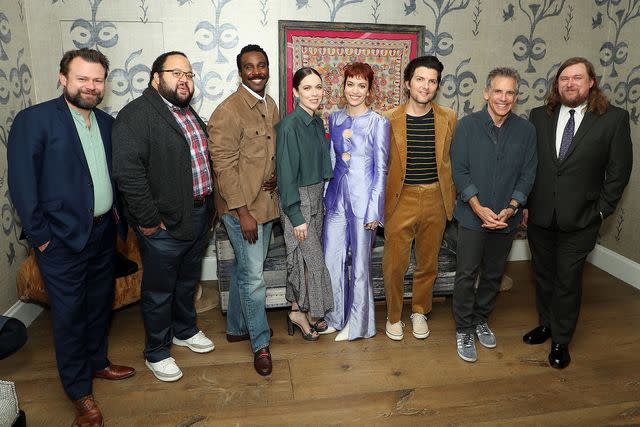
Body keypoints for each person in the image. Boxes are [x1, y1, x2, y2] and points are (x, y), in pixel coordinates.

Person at [7, 48, 135, 427]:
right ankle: (79, 391)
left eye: (97, 80)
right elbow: (23, 184)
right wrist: (42, 237)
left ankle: (97, 363)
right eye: (82, 78)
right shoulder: (35, 120)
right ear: (63, 78)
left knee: (99, 305)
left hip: (101, 234)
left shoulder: (108, 124)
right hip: (60, 241)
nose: (90, 86)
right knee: (69, 316)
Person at [112, 51, 215, 382]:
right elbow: (128, 174)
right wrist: (148, 220)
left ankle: (183, 330)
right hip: (163, 224)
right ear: (156, 78)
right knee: (159, 291)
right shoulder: (136, 115)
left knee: (186, 282)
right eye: (176, 73)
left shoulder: (186, 113)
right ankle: (156, 351)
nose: (184, 79)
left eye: (189, 74)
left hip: (198, 216)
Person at [524, 57, 633, 369]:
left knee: (567, 279)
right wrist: (527, 205)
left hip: (583, 218)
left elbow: (619, 171)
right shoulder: (538, 116)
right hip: (541, 216)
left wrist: (601, 212)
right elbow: (531, 165)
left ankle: (560, 339)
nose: (569, 84)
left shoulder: (613, 119)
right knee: (543, 276)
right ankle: (545, 324)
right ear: (557, 85)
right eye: (563, 79)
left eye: (576, 78)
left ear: (591, 82)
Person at [450, 67, 537, 362]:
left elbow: (528, 173)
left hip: (505, 218)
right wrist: (477, 206)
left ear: (516, 96)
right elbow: (459, 171)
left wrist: (512, 207)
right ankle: (463, 327)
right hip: (473, 216)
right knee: (466, 274)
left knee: (493, 274)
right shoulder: (466, 126)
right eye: (498, 91)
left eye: (510, 92)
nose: (504, 97)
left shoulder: (526, 131)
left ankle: (480, 319)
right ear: (486, 93)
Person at [208, 44, 279, 376]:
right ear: (240, 72)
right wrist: (242, 213)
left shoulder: (270, 105)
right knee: (254, 279)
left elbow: (267, 151)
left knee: (244, 271)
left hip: (265, 205)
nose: (257, 71)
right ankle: (260, 343)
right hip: (242, 211)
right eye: (249, 67)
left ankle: (237, 326)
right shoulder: (227, 111)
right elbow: (224, 168)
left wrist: (274, 174)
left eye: (261, 65)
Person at [382, 55, 457, 341]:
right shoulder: (389, 119)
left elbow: (449, 159)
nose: (426, 86)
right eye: (420, 79)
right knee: (394, 263)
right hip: (401, 198)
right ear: (407, 83)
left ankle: (419, 311)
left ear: (437, 86)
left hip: (436, 198)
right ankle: (393, 315)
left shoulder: (448, 117)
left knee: (428, 262)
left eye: (432, 81)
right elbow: (382, 164)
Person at [323, 62, 390, 341]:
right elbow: (331, 160)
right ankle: (335, 317)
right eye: (350, 84)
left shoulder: (379, 122)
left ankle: (359, 324)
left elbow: (382, 168)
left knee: (360, 266)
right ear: (343, 86)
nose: (355, 90)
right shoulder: (335, 119)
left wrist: (375, 210)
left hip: (365, 205)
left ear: (369, 90)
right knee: (331, 259)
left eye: (361, 85)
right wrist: (326, 197)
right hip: (336, 200)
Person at [276, 67, 334, 342]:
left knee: (303, 259)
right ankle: (309, 314)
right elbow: (286, 175)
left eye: (318, 87)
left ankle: (296, 311)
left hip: (316, 196)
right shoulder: (290, 126)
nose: (314, 93)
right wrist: (297, 216)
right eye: (307, 88)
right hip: (296, 201)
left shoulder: (315, 121)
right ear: (296, 92)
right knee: (313, 260)